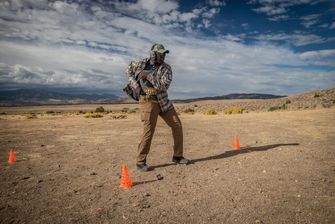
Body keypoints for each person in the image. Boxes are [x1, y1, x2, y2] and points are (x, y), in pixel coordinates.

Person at [126, 44, 189, 172]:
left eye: (164, 54)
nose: (163, 56)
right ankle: (140, 161)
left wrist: (147, 76)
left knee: (177, 125)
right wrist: (135, 86)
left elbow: (163, 85)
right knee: (149, 131)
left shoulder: (167, 69)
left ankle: (177, 156)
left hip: (163, 101)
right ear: (153, 54)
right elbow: (129, 71)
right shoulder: (141, 63)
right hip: (147, 100)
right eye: (161, 54)